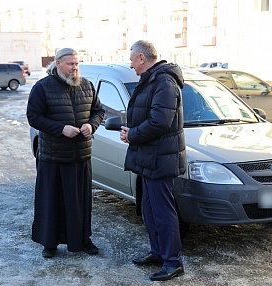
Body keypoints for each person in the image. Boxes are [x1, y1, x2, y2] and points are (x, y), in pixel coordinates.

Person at [26, 48, 105, 258]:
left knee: (80, 203)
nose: (74, 68)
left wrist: (91, 125)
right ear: (58, 64)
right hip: (53, 157)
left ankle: (83, 239)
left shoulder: (86, 85)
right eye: (70, 64)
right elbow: (34, 117)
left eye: (77, 64)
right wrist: (61, 129)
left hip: (81, 156)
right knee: (52, 202)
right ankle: (49, 243)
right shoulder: (42, 87)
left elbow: (99, 111)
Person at [120, 40, 187, 281]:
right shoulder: (151, 79)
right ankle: (159, 252)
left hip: (161, 159)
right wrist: (131, 130)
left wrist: (133, 134)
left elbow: (160, 121)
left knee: (162, 211)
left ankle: (173, 261)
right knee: (149, 210)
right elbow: (149, 115)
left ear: (141, 57)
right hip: (150, 157)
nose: (130, 64)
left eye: (131, 59)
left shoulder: (164, 81)